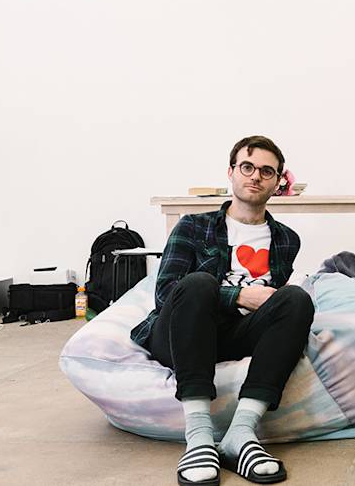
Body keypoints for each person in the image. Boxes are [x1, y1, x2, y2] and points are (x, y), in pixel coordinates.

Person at [130, 136, 313, 485]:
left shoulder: (287, 239)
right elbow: (167, 294)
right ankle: (198, 435)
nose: (255, 176)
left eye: (266, 171)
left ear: (278, 183)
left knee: (296, 300)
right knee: (199, 283)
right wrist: (240, 296)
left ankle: (240, 434)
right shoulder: (193, 226)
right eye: (247, 166)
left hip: (236, 336)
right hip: (182, 333)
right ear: (231, 172)